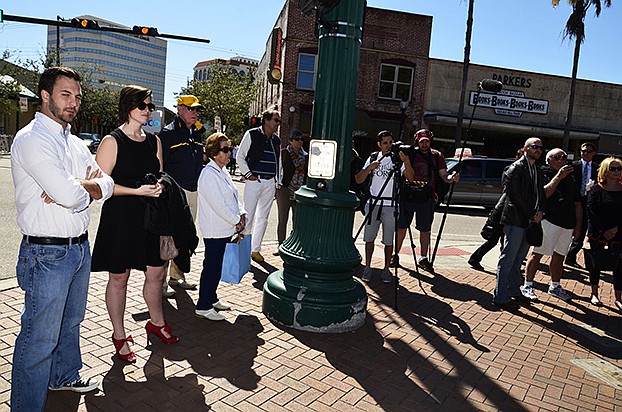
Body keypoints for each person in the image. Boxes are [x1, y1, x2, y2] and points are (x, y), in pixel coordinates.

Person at [10, 67, 114, 410]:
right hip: (46, 254)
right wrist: (81, 188)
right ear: (45, 95)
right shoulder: (31, 139)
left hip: (79, 248)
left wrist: (77, 186)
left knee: (71, 323)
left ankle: (64, 376)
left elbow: (107, 185)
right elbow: (71, 196)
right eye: (65, 94)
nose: (73, 103)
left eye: (78, 97)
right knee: (38, 341)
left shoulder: (74, 142)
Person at [92, 85, 180, 365]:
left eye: (150, 106)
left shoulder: (154, 140)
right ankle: (119, 335)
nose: (148, 110)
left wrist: (160, 186)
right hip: (120, 217)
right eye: (142, 105)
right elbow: (98, 188)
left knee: (156, 273)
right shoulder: (112, 140)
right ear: (128, 106)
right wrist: (136, 191)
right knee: (119, 278)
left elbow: (160, 174)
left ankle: (156, 322)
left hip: (151, 217)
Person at [196, 133, 247, 321]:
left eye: (230, 148)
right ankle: (203, 305)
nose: (229, 152)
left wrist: (242, 215)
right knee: (211, 267)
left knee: (217, 267)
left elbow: (233, 197)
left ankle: (211, 297)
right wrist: (236, 220)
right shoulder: (208, 174)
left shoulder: (222, 171)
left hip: (226, 228)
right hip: (215, 230)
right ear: (215, 153)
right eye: (225, 149)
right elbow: (219, 204)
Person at [394, 129, 459, 272]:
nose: (424, 144)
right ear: (417, 141)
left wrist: (451, 178)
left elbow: (443, 174)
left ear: (430, 141)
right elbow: (404, 173)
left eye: (427, 141)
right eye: (422, 141)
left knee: (425, 229)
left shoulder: (437, 156)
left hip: (427, 198)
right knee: (402, 227)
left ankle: (423, 258)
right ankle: (395, 255)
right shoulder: (410, 153)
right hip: (408, 196)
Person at [159, 95, 205, 297]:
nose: (195, 113)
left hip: (193, 191)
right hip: (174, 194)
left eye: (196, 110)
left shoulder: (197, 133)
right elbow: (159, 165)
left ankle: (177, 276)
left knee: (186, 235)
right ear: (179, 109)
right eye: (190, 109)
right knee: (169, 237)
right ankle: (159, 283)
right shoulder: (168, 134)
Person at [521, 148, 581, 302]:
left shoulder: (571, 177)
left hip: (567, 224)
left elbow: (577, 203)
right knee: (538, 253)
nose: (561, 160)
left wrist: (578, 225)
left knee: (559, 256)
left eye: (564, 157)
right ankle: (528, 285)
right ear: (548, 160)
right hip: (549, 221)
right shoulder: (543, 173)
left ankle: (555, 286)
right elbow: (544, 194)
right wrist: (559, 177)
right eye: (557, 157)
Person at [493, 137, 546, 308]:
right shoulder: (515, 168)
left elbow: (540, 194)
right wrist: (532, 214)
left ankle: (514, 290)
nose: (538, 150)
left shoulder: (536, 169)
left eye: (540, 148)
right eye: (534, 147)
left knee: (518, 259)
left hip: (530, 221)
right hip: (516, 220)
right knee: (507, 259)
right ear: (525, 149)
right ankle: (501, 297)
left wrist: (541, 212)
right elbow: (514, 196)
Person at [355, 130, 409, 283]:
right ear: (379, 144)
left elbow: (410, 177)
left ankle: (386, 269)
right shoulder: (373, 158)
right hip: (373, 204)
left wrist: (407, 162)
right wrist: (369, 168)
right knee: (369, 239)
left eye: (391, 142)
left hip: (390, 204)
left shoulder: (397, 160)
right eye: (385, 143)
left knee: (388, 240)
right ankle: (368, 267)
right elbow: (359, 180)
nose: (388, 146)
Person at [236, 108, 283, 263]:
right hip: (254, 182)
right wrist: (249, 174)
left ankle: (255, 250)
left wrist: (278, 184)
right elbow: (240, 156)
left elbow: (279, 163)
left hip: (270, 182)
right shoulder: (252, 134)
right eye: (276, 120)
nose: (278, 123)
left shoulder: (276, 140)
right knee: (248, 215)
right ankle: (243, 249)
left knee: (263, 217)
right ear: (266, 120)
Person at [468, 149, 524, 270]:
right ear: (516, 157)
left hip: (507, 211)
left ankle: (504, 264)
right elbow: (508, 190)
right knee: (494, 240)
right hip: (502, 211)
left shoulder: (526, 172)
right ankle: (475, 259)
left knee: (504, 240)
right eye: (521, 157)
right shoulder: (511, 170)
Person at [585, 157, 622, 309]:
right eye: (613, 169)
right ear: (605, 171)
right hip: (598, 234)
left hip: (619, 233)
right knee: (595, 264)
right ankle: (594, 294)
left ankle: (618, 298)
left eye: (619, 169)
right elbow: (591, 211)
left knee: (620, 266)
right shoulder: (596, 189)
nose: (617, 172)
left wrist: (616, 229)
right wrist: (603, 231)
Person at [566, 142, 599, 267]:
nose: (585, 153)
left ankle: (570, 257)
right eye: (583, 151)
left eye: (589, 151)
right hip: (572, 202)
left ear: (594, 153)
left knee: (581, 230)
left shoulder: (597, 168)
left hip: (588, 203)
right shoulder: (573, 166)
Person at [275, 129, 307, 255]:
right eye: (296, 139)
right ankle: (281, 245)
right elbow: (278, 171)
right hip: (284, 189)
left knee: (297, 220)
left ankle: (295, 245)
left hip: (299, 190)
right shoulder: (284, 153)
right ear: (290, 140)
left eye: (301, 139)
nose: (299, 141)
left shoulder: (305, 156)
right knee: (283, 219)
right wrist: (276, 187)